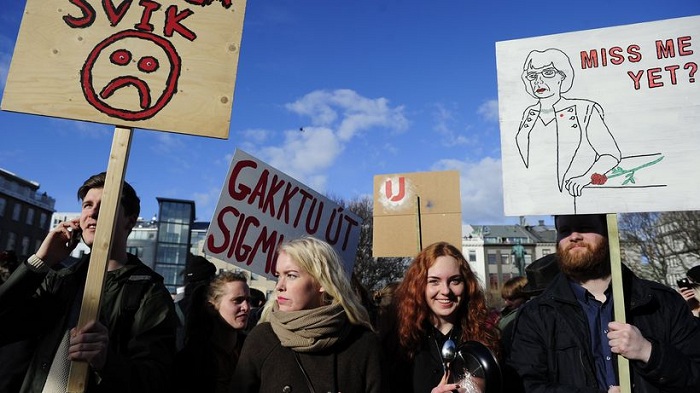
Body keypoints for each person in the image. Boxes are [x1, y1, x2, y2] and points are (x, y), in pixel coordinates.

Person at [0, 172, 178, 393]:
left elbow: (157, 380)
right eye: (87, 205)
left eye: (106, 205)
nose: (93, 213)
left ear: (130, 220)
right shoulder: (59, 281)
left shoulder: (149, 292)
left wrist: (107, 361)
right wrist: (39, 262)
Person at [508, 214, 700, 392]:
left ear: (610, 234)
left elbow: (695, 374)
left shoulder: (661, 302)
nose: (574, 236)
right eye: (564, 231)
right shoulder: (536, 314)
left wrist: (648, 352)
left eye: (584, 227)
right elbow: (527, 386)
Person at [231, 236, 382, 393]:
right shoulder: (262, 339)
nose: (279, 286)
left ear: (322, 282)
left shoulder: (363, 343)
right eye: (278, 275)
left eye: (291, 275)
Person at [381, 241, 500, 393]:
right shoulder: (398, 342)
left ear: (467, 285)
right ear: (419, 286)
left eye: (454, 281)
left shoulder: (486, 337)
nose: (445, 290)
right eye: (434, 281)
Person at [515, 48, 622, 211]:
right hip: (537, 202)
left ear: (562, 77)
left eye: (548, 72)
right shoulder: (529, 113)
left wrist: (586, 177)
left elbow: (610, 154)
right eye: (533, 75)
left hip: (575, 199)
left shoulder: (584, 109)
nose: (539, 81)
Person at [174, 271, 250, 393]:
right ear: (212, 307)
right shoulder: (191, 361)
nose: (246, 307)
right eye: (237, 300)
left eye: (248, 300)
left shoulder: (254, 350)